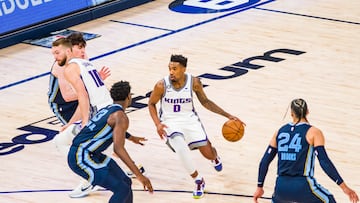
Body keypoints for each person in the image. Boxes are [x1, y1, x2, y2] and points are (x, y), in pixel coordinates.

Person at [50, 36, 146, 198]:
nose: (54, 57)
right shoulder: (86, 63)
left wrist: (85, 122)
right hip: (108, 109)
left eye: (57, 53)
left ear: (68, 51)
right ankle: (93, 173)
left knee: (65, 143)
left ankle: (89, 178)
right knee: (75, 143)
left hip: (100, 114)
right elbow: (87, 95)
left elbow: (83, 95)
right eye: (53, 53)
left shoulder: (70, 68)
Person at [148, 54, 244, 199]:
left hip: (190, 120)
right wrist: (157, 124)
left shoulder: (194, 82)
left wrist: (228, 115)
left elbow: (206, 102)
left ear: (184, 69)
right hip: (169, 122)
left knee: (207, 152)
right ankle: (198, 180)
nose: (171, 72)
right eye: (169, 68)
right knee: (180, 147)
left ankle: (214, 157)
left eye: (174, 69)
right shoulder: (161, 85)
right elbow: (151, 104)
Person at [253, 98, 359, 203]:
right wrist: (344, 187)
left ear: (291, 114)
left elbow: (265, 161)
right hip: (302, 185)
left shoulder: (279, 132)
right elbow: (324, 162)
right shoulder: (314, 132)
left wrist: (259, 187)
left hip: (281, 187)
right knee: (329, 200)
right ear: (307, 112)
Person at [68, 81, 154, 203]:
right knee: (121, 189)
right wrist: (139, 175)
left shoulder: (108, 109)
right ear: (129, 96)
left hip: (90, 154)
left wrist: (130, 137)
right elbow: (118, 149)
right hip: (81, 156)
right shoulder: (121, 116)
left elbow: (106, 129)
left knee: (125, 182)